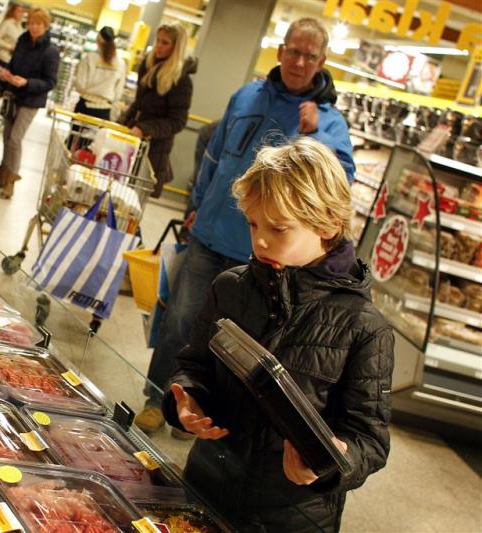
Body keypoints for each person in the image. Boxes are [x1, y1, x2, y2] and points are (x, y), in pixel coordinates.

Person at [134, 18, 355, 434]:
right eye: (293, 50)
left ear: (322, 62)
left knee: (239, 347)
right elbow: (214, 155)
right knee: (180, 322)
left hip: (265, 258)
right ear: (280, 51)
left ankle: (213, 418)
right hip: (209, 235)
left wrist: (316, 135)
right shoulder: (247, 95)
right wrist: (196, 205)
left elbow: (337, 185)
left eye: (310, 55)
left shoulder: (330, 122)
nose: (299, 61)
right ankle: (158, 399)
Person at [164, 137, 392, 531]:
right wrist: (187, 403)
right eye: (253, 223)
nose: (261, 240)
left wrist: (332, 462)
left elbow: (369, 438)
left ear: (328, 224)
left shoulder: (365, 328)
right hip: (207, 486)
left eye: (279, 228)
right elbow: (194, 365)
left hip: (292, 515)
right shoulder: (230, 288)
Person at [0, 7, 59, 199]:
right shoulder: (22, 41)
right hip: (14, 95)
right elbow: (14, 64)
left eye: (38, 24)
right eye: (31, 22)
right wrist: (6, 73)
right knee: (7, 138)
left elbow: (50, 82)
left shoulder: (51, 52)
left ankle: (10, 182)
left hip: (31, 100)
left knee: (15, 139)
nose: (34, 27)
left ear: (46, 26)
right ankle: (1, 175)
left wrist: (27, 82)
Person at [118, 22, 196, 198]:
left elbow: (178, 121)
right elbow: (138, 103)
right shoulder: (148, 65)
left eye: (165, 43)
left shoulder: (181, 80)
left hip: (153, 152)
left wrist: (145, 128)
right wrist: (120, 124)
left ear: (176, 48)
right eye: (158, 40)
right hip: (131, 141)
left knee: (131, 204)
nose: (158, 46)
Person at [73, 26, 126, 121]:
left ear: (98, 40)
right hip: (104, 110)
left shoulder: (89, 58)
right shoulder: (120, 62)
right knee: (97, 136)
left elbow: (80, 84)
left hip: (84, 107)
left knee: (76, 135)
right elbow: (118, 91)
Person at [0, 4, 24, 70]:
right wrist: (10, 47)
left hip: (11, 60)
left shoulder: (19, 26)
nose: (20, 13)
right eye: (18, 11)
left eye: (22, 11)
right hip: (1, 58)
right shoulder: (7, 23)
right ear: (12, 12)